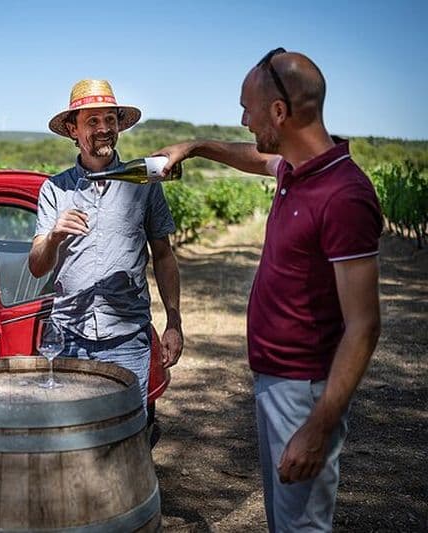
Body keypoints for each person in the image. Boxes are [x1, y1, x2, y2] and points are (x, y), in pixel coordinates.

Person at [152, 49, 382, 531]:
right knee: (285, 521)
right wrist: (193, 147)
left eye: (247, 109)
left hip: (305, 392)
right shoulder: (294, 169)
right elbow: (253, 157)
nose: (243, 120)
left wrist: (318, 428)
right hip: (277, 381)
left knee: (302, 526)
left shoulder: (342, 194)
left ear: (279, 112)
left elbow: (363, 327)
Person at [29, 79, 184, 406]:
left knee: (126, 438)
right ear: (73, 130)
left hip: (127, 341)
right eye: (93, 121)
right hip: (69, 339)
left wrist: (174, 321)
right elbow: (37, 266)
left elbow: (164, 256)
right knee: (73, 439)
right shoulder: (54, 190)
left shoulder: (144, 183)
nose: (104, 129)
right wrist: (55, 236)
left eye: (110, 120)